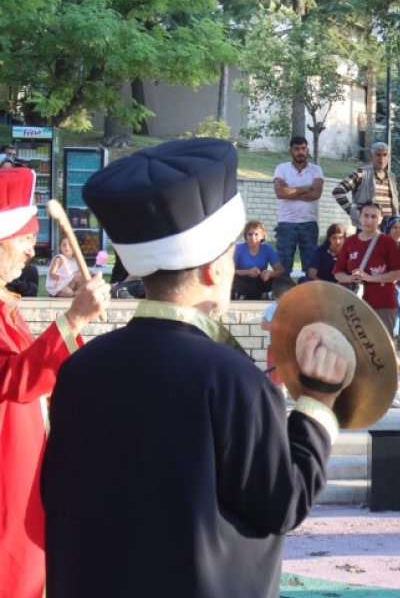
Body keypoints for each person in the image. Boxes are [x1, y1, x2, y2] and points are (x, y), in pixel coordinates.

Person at [42, 138, 351, 596]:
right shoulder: (233, 378)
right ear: (213, 270)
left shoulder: (80, 369)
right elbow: (281, 504)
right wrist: (319, 404)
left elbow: (58, 498)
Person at [0, 167, 108, 598]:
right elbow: (14, 379)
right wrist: (73, 316)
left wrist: (76, 322)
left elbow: (38, 366)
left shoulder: (7, 305)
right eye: (24, 238)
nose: (31, 250)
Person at [334, 203, 400, 333]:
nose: (369, 220)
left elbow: (398, 274)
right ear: (359, 217)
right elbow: (338, 272)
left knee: (382, 348)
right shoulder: (350, 242)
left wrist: (370, 278)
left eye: (374, 217)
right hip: (354, 304)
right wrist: (351, 278)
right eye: (366, 216)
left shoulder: (387, 241)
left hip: (383, 304)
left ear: (380, 219)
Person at [273, 135, 325, 277]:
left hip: (309, 223)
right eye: (296, 149)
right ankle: (282, 296)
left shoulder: (316, 170)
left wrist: (290, 190)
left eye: (303, 148)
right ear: (291, 150)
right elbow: (280, 193)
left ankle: (309, 297)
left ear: (307, 150)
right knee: (283, 266)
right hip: (286, 223)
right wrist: (307, 188)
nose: (300, 152)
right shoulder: (281, 169)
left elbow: (316, 195)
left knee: (311, 267)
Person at [332, 141, 400, 224]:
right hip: (367, 225)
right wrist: (352, 212)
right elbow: (338, 191)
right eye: (378, 154)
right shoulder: (361, 173)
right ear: (371, 157)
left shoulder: (391, 177)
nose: (382, 158)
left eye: (385, 155)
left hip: (388, 226)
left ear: (389, 157)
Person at [231, 220, 292, 300]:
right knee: (231, 279)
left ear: (262, 236)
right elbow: (229, 271)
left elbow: (280, 270)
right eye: (250, 234)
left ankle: (261, 295)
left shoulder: (268, 249)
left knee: (284, 279)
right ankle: (253, 295)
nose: (253, 237)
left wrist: (269, 273)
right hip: (243, 281)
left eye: (256, 234)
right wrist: (247, 272)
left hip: (261, 280)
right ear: (245, 236)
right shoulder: (238, 248)